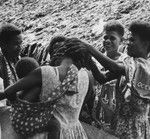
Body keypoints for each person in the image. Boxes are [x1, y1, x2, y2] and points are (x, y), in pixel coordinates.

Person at [68, 20, 150, 139]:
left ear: (146, 44)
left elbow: (114, 67)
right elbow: (102, 78)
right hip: (120, 125)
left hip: (134, 129)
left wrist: (89, 47)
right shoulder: (131, 63)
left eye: (132, 40)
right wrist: (89, 60)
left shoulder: (143, 68)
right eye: (128, 40)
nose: (128, 44)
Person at [91, 21, 126, 131]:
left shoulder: (125, 62)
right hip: (96, 110)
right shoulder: (95, 60)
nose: (107, 41)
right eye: (105, 37)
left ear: (121, 41)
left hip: (117, 114)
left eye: (112, 38)